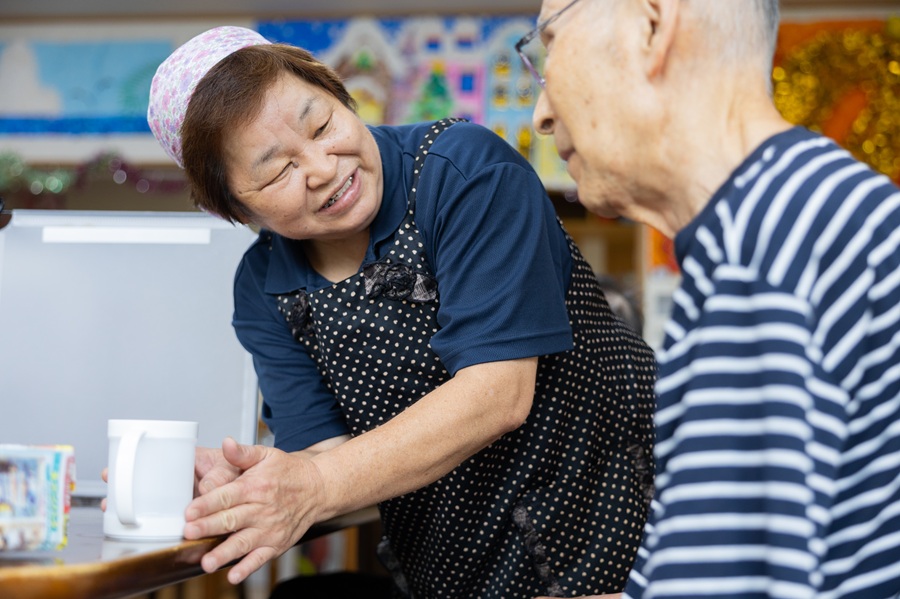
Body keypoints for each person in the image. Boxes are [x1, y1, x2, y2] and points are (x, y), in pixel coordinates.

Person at [146, 26, 657, 598]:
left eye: (322, 125)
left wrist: (313, 482)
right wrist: (248, 484)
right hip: (454, 565)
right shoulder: (265, 285)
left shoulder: (460, 173)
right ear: (235, 207)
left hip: (610, 524)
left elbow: (497, 393)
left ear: (341, 95)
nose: (321, 166)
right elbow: (326, 453)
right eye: (278, 171)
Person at [523, 0, 900, 598]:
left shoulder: (767, 250)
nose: (541, 113)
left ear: (651, 26)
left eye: (548, 48)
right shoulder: (792, 213)